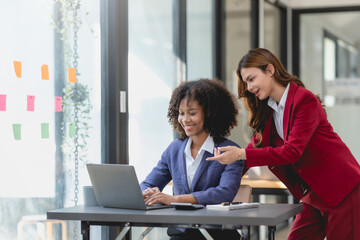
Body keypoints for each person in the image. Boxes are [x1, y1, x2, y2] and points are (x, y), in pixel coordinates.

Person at [207, 48, 360, 240]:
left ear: (270, 70)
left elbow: (292, 152)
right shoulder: (269, 111)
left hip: (342, 189)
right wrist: (208, 188)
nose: (249, 88)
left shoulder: (304, 100)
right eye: (246, 82)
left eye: (251, 79)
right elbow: (250, 153)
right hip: (313, 193)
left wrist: (240, 155)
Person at [140, 79, 244, 240]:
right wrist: (148, 192)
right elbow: (147, 183)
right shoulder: (174, 150)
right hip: (181, 234)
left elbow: (224, 193)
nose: (185, 119)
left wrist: (174, 199)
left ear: (210, 113)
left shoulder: (230, 151)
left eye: (192, 113)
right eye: (181, 113)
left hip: (216, 234)